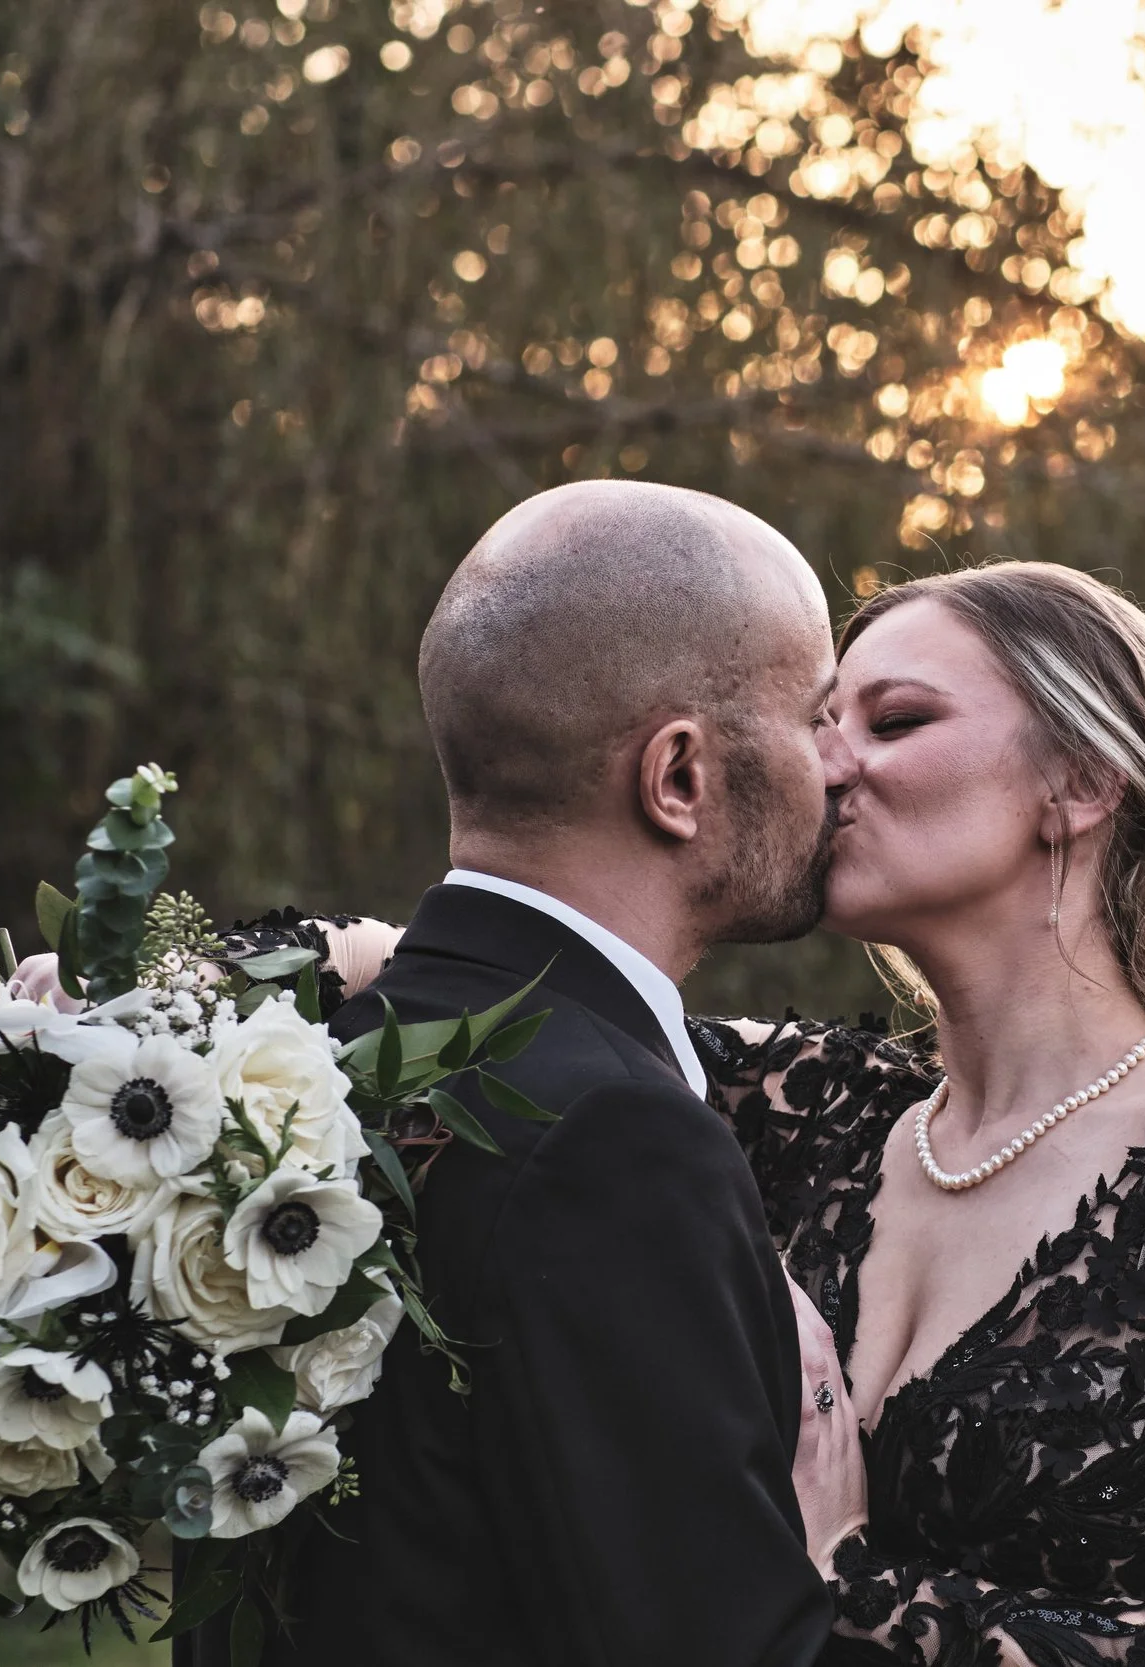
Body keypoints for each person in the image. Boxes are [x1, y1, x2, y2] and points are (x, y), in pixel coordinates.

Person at [189, 480, 877, 1665]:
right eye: (814, 715)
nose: (839, 762)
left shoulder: (310, 1070)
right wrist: (828, 1545)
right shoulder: (616, 1138)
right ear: (679, 778)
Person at [693, 563, 1145, 1665]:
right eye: (818, 725)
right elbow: (480, 990)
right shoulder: (807, 1110)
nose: (824, 764)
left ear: (1081, 782)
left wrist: (851, 1581)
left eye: (893, 719)